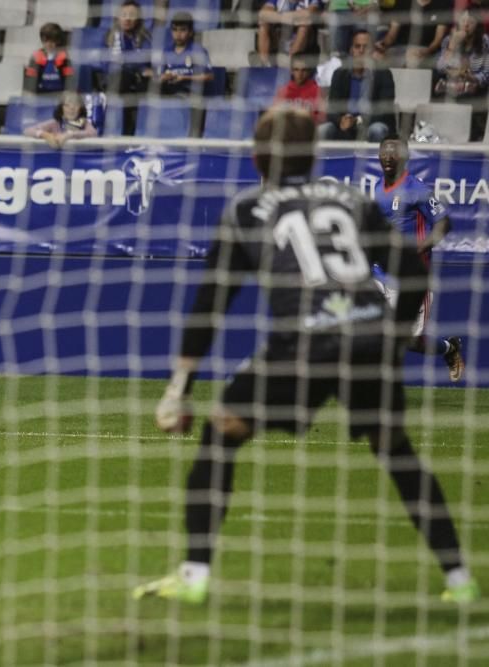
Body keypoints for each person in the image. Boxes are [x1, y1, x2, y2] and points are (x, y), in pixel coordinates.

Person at [133, 107, 480, 606]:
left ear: (256, 159)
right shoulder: (348, 200)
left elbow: (211, 304)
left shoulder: (247, 209)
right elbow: (413, 269)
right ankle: (459, 580)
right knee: (397, 453)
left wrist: (179, 387)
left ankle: (193, 574)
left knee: (222, 431)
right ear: (312, 155)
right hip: (365, 339)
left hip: (304, 341)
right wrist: (390, 337)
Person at [372, 137, 464, 380]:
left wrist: (419, 247)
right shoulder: (377, 188)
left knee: (411, 341)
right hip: (378, 273)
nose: (388, 157)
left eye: (394, 153)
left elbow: (443, 223)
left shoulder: (418, 190)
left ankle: (449, 348)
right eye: (384, 153)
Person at [319, 29, 396, 142]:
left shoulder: (383, 73)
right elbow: (332, 107)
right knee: (323, 130)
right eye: (357, 46)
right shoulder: (339, 73)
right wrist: (341, 120)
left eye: (366, 47)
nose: (361, 51)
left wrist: (357, 120)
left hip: (371, 124)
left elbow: (384, 109)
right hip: (345, 126)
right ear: (351, 50)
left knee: (377, 130)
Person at [433, 9, 489, 140]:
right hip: (452, 85)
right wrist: (453, 45)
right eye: (463, 21)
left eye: (470, 22)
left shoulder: (486, 42)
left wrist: (471, 77)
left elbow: (486, 74)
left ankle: (471, 136)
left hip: (477, 88)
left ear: (478, 25)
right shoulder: (449, 39)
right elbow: (440, 67)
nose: (466, 24)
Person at [96, 0, 152, 96]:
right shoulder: (109, 37)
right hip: (116, 79)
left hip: (139, 80)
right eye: (123, 14)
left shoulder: (145, 37)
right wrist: (137, 68)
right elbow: (107, 64)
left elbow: (145, 61)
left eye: (132, 15)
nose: (127, 19)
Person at [374, 0, 452, 67]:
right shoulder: (402, 2)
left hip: (425, 49)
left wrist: (426, 51)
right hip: (399, 49)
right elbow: (392, 34)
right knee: (377, 56)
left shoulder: (442, 4)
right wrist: (382, 45)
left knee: (413, 60)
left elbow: (438, 39)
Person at [157, 11, 212, 97]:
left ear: (190, 32)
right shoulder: (166, 51)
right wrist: (165, 77)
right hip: (170, 92)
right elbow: (161, 75)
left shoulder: (198, 50)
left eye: (183, 30)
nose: (178, 34)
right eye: (174, 30)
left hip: (191, 94)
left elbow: (209, 76)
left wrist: (184, 78)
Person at [23, 90, 98, 147]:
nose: (71, 108)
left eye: (76, 105)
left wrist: (69, 135)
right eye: (67, 105)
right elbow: (27, 131)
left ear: (81, 108)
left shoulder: (84, 123)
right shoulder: (54, 123)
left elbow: (93, 133)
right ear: (61, 108)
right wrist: (45, 135)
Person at [255, 0, 321, 65]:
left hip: (305, 39)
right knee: (263, 24)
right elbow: (262, 14)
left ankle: (290, 64)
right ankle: (265, 65)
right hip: (280, 36)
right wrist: (290, 18)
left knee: (304, 25)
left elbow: (308, 14)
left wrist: (277, 17)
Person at [23, 22, 73, 94]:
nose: (49, 44)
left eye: (52, 41)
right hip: (40, 95)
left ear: (58, 41)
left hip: (60, 95)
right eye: (45, 41)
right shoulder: (36, 57)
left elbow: (70, 82)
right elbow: (30, 82)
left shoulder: (64, 57)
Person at [272, 55, 324, 123]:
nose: (300, 74)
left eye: (303, 70)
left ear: (308, 72)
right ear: (291, 71)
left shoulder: (317, 90)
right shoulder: (283, 91)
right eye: (296, 70)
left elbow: (322, 117)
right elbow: (275, 115)